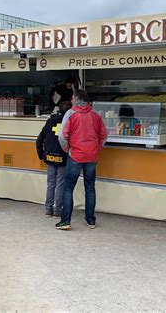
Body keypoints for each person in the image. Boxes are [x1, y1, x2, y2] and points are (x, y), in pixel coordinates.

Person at [55, 89, 107, 230]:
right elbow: (104, 135)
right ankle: (91, 221)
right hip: (91, 156)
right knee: (90, 188)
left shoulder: (71, 114)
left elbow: (62, 136)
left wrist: (68, 150)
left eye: (72, 97)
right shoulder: (95, 115)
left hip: (75, 156)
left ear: (77, 98)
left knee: (68, 188)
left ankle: (66, 221)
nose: (71, 100)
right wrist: (96, 149)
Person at [36, 101, 72, 217]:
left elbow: (39, 140)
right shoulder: (69, 122)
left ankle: (48, 209)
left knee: (50, 184)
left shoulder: (49, 121)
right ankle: (57, 210)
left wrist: (41, 155)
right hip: (63, 157)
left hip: (49, 157)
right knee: (61, 183)